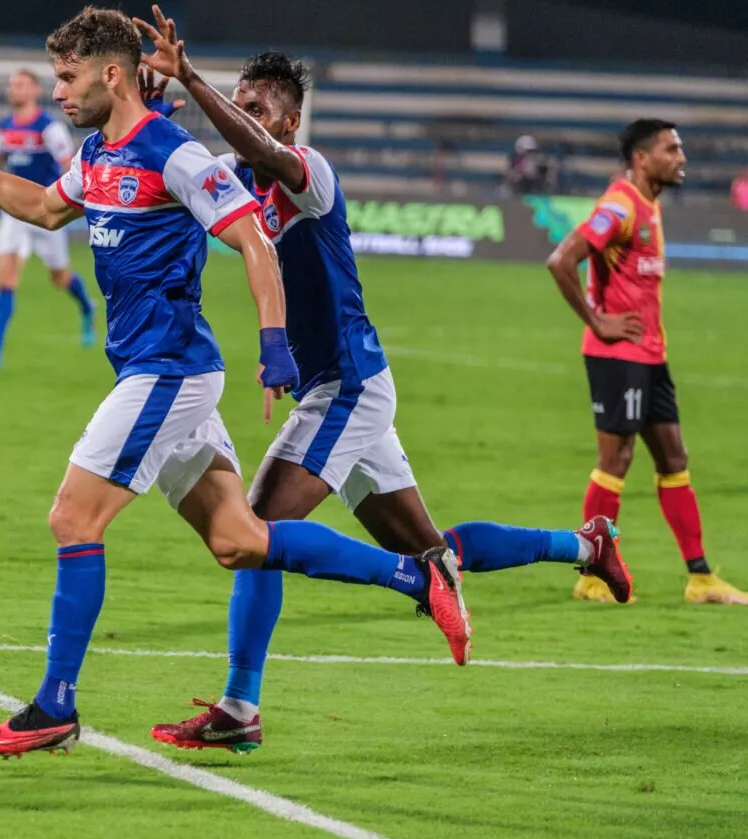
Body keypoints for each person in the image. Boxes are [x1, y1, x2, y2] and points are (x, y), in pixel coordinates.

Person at [0, 6, 477, 759]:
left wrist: (275, 349)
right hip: (159, 372)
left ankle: (53, 706)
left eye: (68, 78)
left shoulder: (172, 154)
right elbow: (43, 209)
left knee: (74, 518)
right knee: (241, 540)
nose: (59, 93)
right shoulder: (100, 153)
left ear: (112, 74)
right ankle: (417, 575)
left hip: (169, 373)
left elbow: (252, 237)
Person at [132, 7, 630, 753]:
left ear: (292, 118)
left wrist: (195, 80)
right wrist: (150, 108)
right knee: (438, 552)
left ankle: (241, 708)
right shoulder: (244, 181)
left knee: (259, 527)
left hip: (348, 388)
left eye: (258, 103)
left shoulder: (311, 173)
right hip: (343, 389)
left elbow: (251, 146)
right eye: (241, 100)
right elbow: (188, 170)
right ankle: (587, 545)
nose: (245, 112)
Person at [546, 118, 748, 606]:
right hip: (617, 356)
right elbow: (562, 260)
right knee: (615, 460)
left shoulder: (648, 203)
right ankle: (591, 573)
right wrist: (598, 320)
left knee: (673, 458)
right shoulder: (620, 205)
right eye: (672, 148)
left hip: (650, 355)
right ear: (642, 159)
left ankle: (701, 578)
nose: (681, 156)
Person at [0, 69, 96, 369]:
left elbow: (69, 166)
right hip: (16, 213)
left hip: (46, 211)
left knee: (59, 278)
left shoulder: (49, 128)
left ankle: (86, 306)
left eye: (20, 84)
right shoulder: (4, 126)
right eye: (11, 84)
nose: (13, 89)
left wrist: (79, 200)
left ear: (33, 91)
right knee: (6, 278)